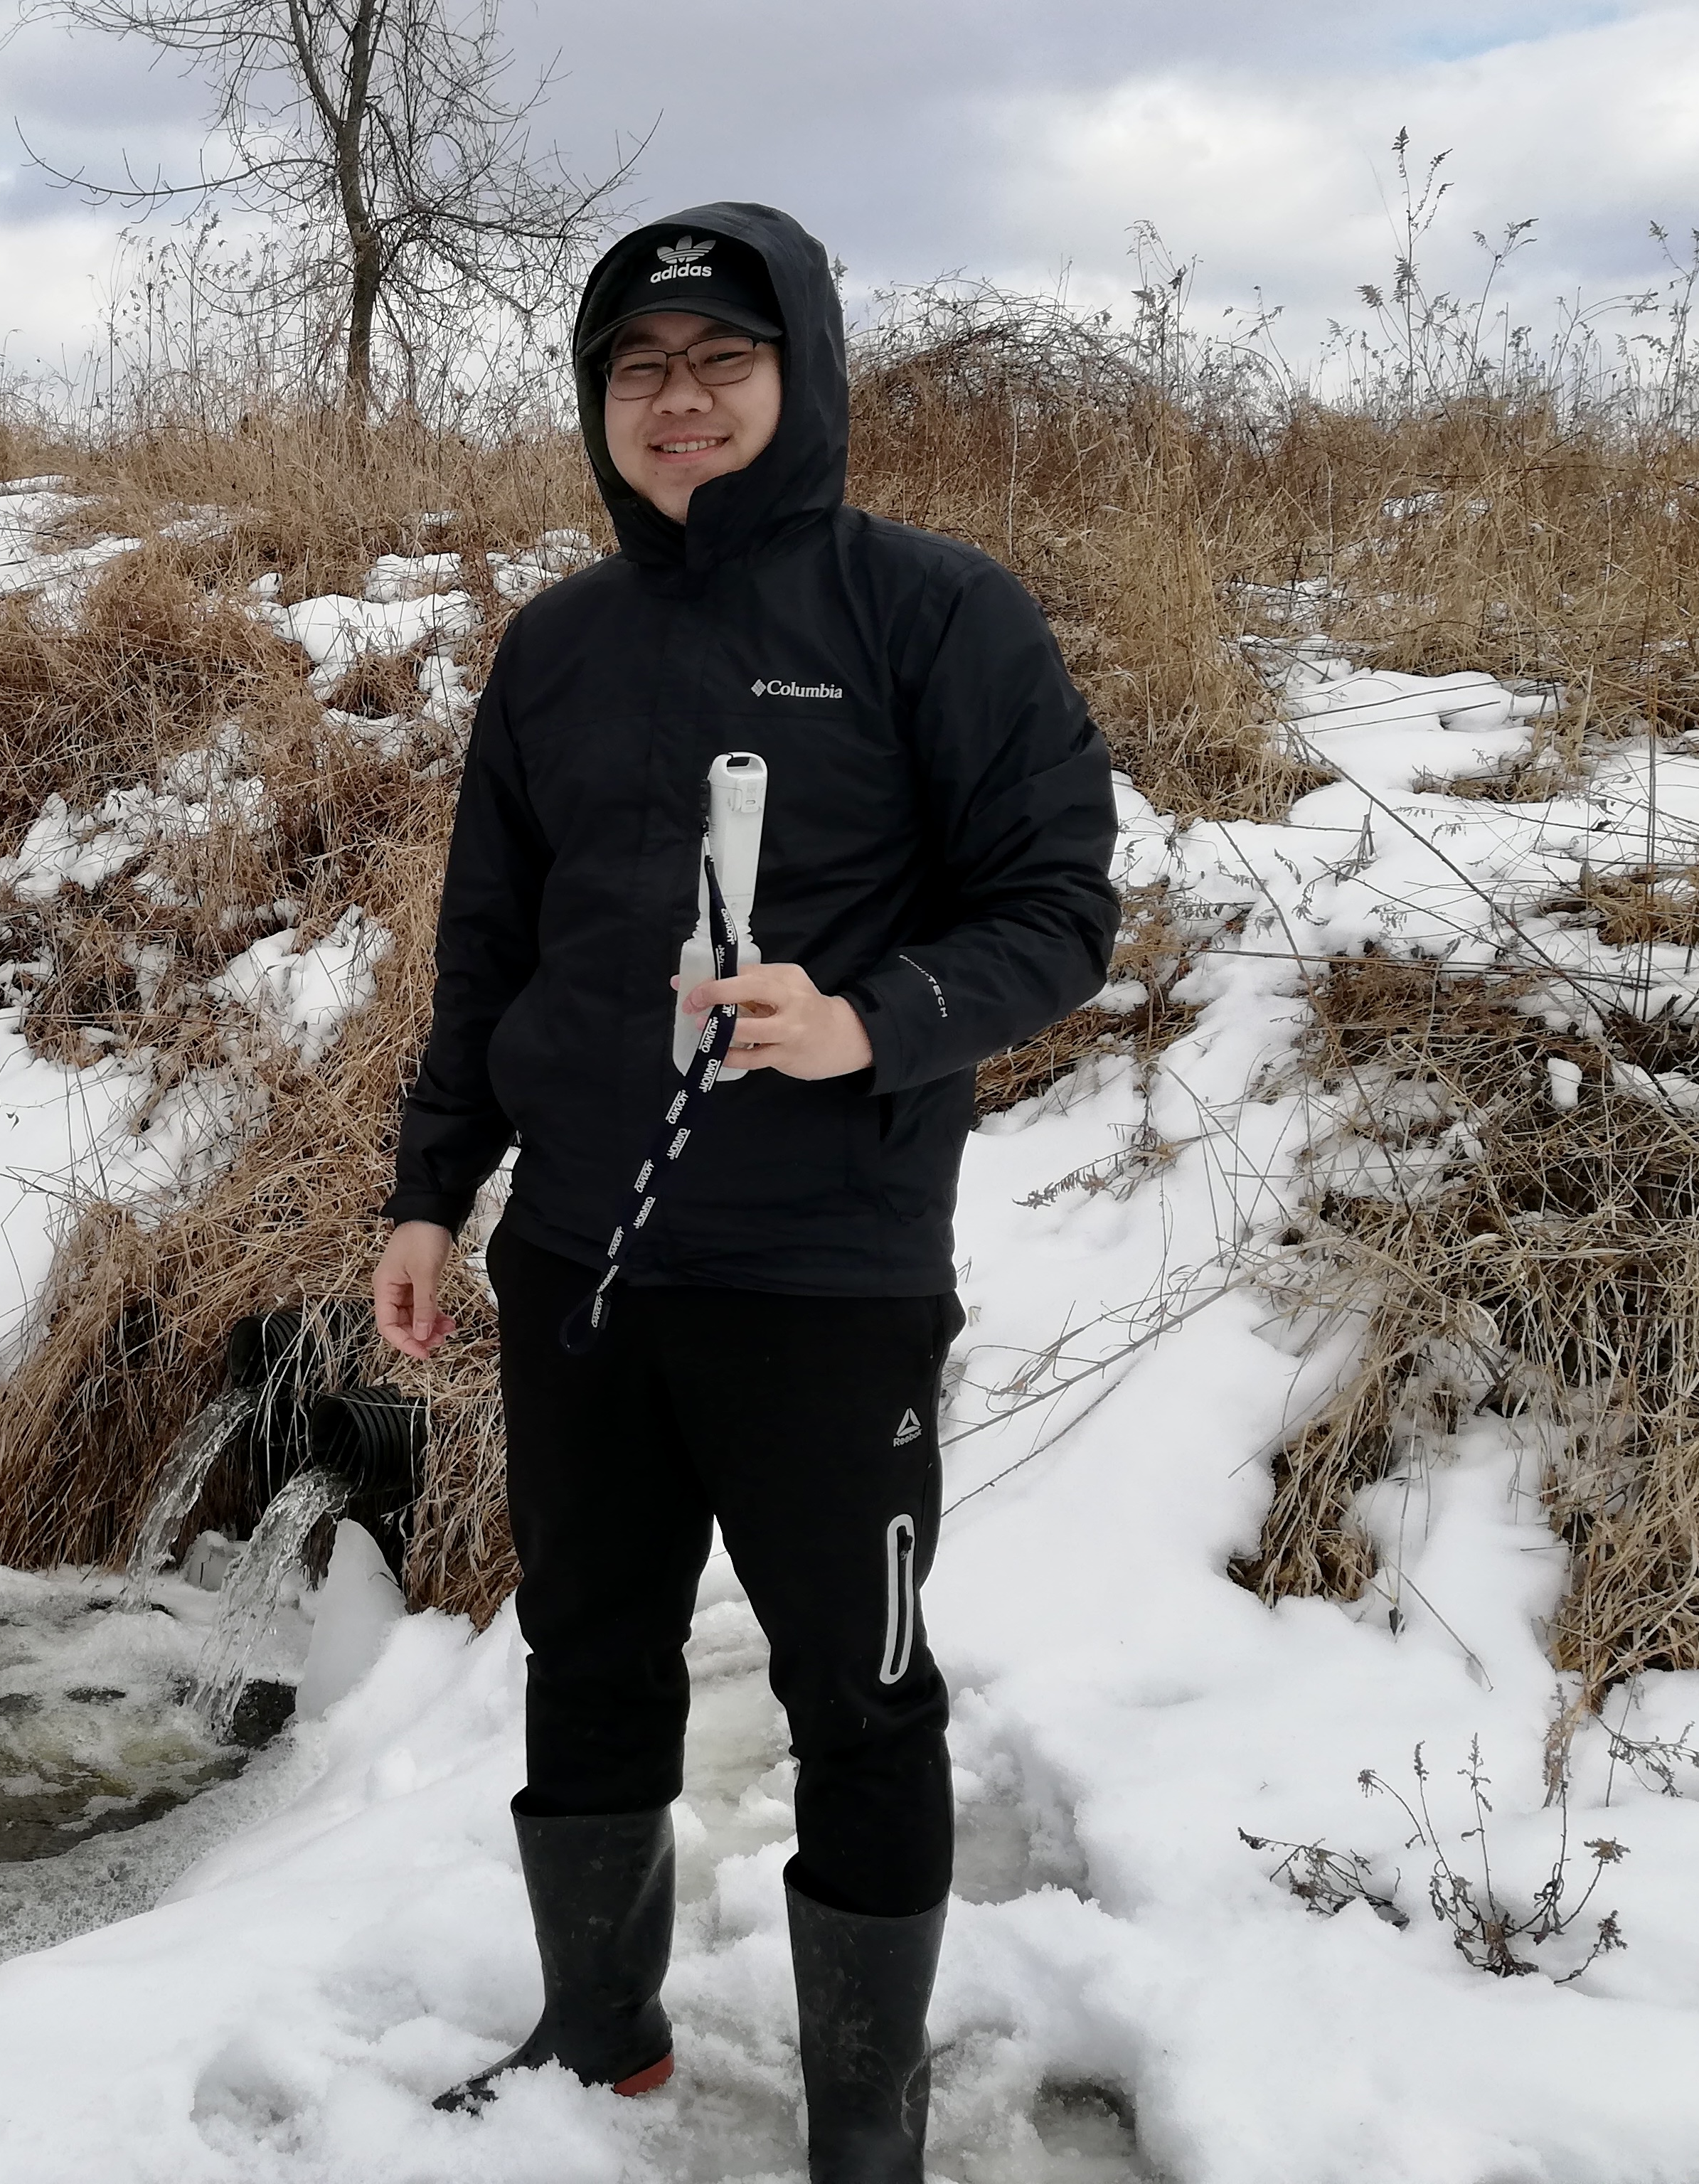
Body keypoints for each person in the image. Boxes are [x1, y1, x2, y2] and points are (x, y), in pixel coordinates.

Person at [373, 202, 1119, 2179]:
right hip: (582, 1268)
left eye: (720, 360)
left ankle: (860, 2127)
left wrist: (875, 1019)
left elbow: (1058, 912)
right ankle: (595, 2036)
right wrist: (431, 1190)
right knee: (586, 1654)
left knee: (859, 1701)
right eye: (638, 371)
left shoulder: (935, 614)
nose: (679, 402)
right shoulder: (557, 646)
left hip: (826, 1277)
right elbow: (488, 946)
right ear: (597, 407)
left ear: (801, 378)